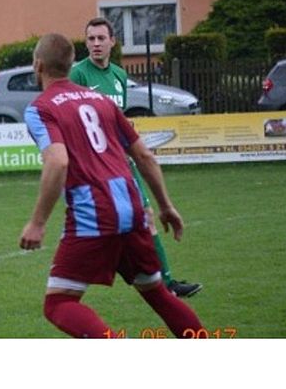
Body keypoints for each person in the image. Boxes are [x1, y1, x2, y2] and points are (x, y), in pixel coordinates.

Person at [19, 33, 204, 338]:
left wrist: (37, 223)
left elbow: (58, 161)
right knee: (157, 292)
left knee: (59, 303)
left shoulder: (41, 108)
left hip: (94, 210)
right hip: (132, 206)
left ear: (37, 65)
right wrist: (166, 207)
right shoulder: (101, 100)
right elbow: (144, 155)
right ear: (71, 64)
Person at [69, 17, 203, 298]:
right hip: (96, 165)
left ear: (112, 42)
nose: (95, 44)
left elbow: (118, 120)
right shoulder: (78, 75)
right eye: (91, 39)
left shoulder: (118, 75)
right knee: (111, 223)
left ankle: (166, 283)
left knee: (147, 217)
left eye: (100, 38)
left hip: (121, 160)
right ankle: (75, 281)